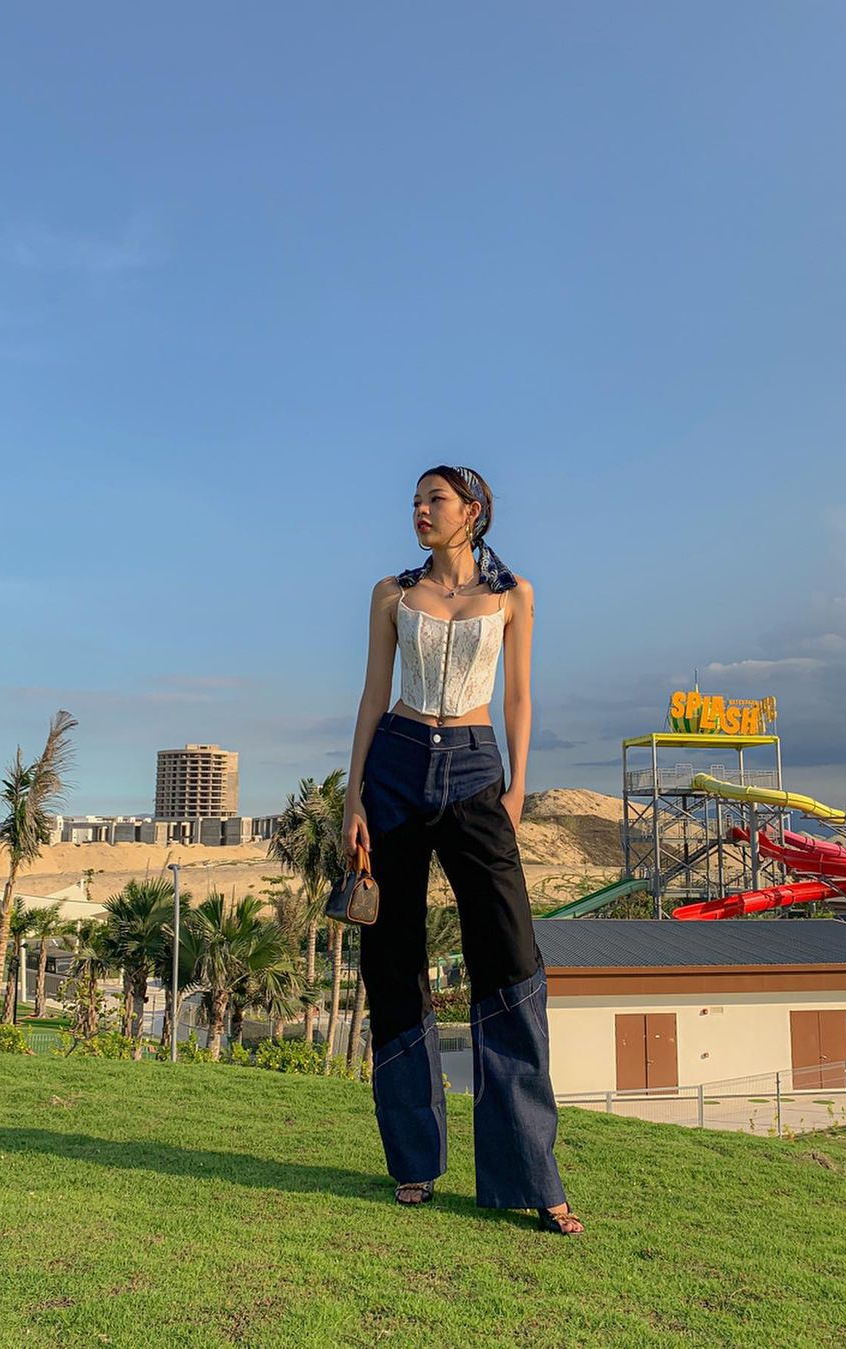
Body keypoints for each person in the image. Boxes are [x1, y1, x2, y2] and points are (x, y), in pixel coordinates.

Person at [342, 465, 584, 1235]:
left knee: (510, 956)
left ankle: (531, 1175)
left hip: (478, 767)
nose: (418, 510)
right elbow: (373, 695)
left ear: (471, 511)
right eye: (414, 500)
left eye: (433, 500)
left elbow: (518, 695)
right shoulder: (392, 594)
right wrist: (354, 797)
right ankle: (414, 1163)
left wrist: (516, 789)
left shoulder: (515, 595)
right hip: (398, 761)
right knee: (393, 956)